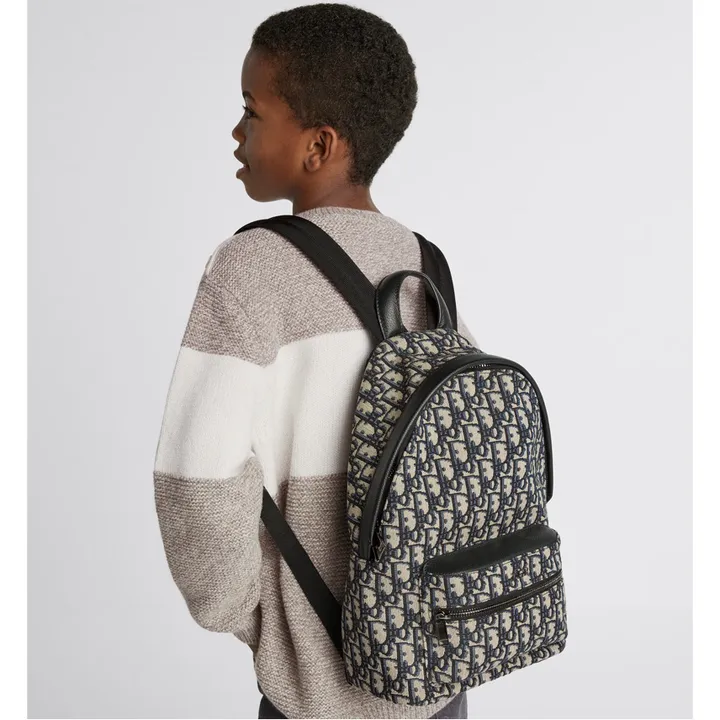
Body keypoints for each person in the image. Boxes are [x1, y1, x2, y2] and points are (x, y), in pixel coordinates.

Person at [153, 4, 477, 718]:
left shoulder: (249, 268)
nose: (236, 132)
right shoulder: (425, 264)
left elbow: (197, 481)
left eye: (251, 110)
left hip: (316, 691)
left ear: (318, 144)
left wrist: (262, 622)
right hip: (437, 677)